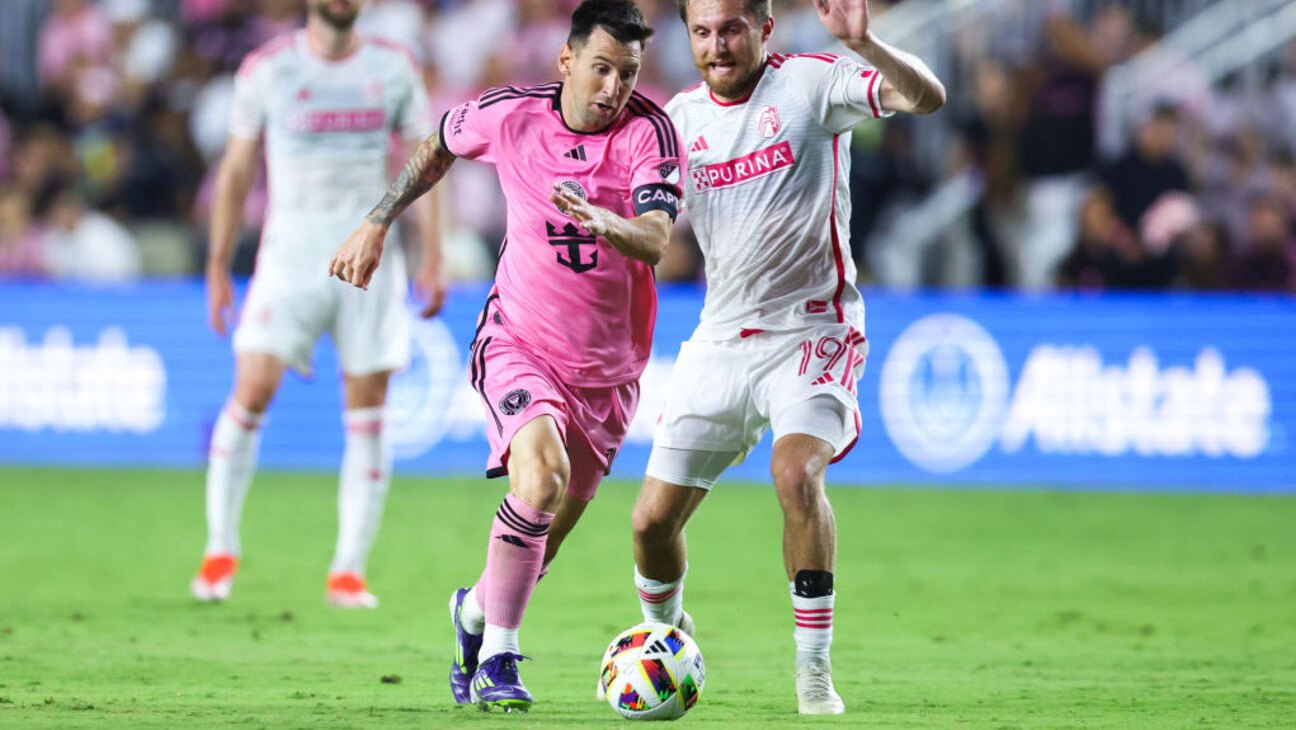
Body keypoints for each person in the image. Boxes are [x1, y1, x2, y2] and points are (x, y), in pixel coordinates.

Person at [328, 0, 683, 712]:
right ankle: (500, 659)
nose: (614, 87)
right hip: (519, 341)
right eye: (602, 69)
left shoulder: (651, 130)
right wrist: (376, 222)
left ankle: (471, 616)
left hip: (609, 375)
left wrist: (609, 221)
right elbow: (435, 147)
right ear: (567, 62)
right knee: (541, 477)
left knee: (541, 533)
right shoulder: (510, 114)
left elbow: (656, 238)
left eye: (628, 72)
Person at [628, 0, 944, 715]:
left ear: (764, 29)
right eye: (703, 33)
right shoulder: (676, 123)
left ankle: (812, 675)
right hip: (719, 338)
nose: (718, 46)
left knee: (796, 473)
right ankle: (666, 642)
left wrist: (867, 44)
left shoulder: (811, 84)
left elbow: (928, 96)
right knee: (649, 525)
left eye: (732, 29)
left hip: (813, 331)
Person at [190, 0, 445, 609]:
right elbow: (235, 171)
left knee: (368, 412)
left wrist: (434, 252)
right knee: (250, 390)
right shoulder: (267, 68)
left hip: (371, 255)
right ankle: (220, 548)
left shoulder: (394, 65)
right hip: (289, 257)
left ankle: (348, 571)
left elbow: (429, 162)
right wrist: (218, 263)